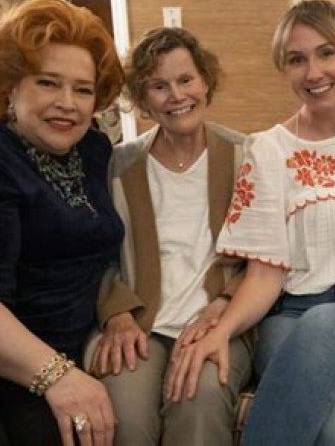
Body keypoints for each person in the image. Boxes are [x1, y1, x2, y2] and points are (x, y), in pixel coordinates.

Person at [164, 0, 335, 445]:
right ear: (284, 69)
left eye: (327, 54)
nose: (313, 72)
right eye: (297, 59)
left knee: (327, 327)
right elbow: (265, 274)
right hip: (293, 316)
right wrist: (223, 329)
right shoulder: (268, 151)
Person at [0, 0, 125, 446]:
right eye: (48, 83)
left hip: (56, 353)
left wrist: (119, 311)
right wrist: (60, 376)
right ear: (11, 86)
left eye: (83, 89)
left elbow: (103, 254)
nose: (67, 104)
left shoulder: (93, 150)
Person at [86, 27, 252, 446]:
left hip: (219, 321)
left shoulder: (246, 156)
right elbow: (96, 251)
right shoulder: (117, 166)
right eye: (159, 86)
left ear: (205, 82)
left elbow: (267, 257)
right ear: (142, 100)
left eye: (186, 79)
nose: (177, 95)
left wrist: (225, 303)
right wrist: (117, 313)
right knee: (125, 419)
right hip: (140, 324)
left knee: (199, 401)